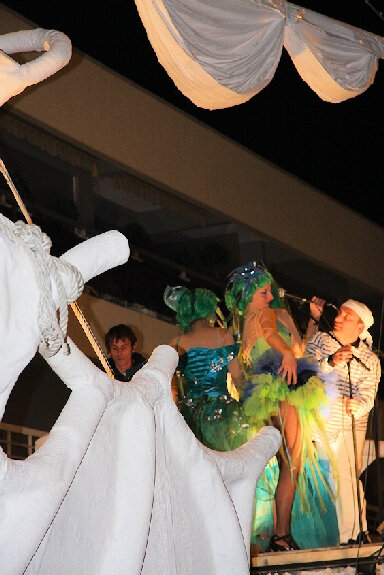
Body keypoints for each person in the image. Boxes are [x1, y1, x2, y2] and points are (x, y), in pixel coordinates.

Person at [225, 261, 339, 552]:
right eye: (263, 292)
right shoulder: (263, 315)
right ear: (249, 296)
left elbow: (300, 349)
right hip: (282, 389)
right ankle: (281, 534)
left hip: (274, 391)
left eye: (269, 291)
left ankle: (279, 533)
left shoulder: (251, 322)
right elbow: (272, 335)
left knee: (289, 462)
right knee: (293, 460)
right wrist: (287, 352)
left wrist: (311, 321)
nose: (269, 296)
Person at [305, 299, 381, 545]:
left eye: (348, 315)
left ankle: (351, 536)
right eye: (340, 312)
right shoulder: (321, 340)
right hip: (318, 424)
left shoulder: (370, 359)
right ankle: (322, 538)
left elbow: (368, 394)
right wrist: (330, 361)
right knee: (320, 481)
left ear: (360, 327)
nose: (339, 316)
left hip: (348, 426)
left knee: (348, 481)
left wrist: (357, 405)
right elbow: (304, 371)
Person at [163, 285, 247, 451]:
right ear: (209, 308)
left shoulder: (176, 342)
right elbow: (237, 377)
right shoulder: (222, 335)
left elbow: (170, 386)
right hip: (221, 412)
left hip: (189, 413)